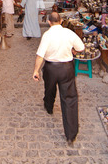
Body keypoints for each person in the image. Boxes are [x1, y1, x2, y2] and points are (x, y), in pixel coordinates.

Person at [32, 11, 85, 145]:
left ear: (49, 22)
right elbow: (81, 47)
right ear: (61, 21)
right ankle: (71, 135)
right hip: (66, 68)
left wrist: (36, 71)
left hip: (51, 67)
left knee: (49, 89)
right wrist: (73, 51)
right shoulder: (68, 33)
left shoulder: (47, 35)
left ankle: (49, 107)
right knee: (69, 99)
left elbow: (40, 55)